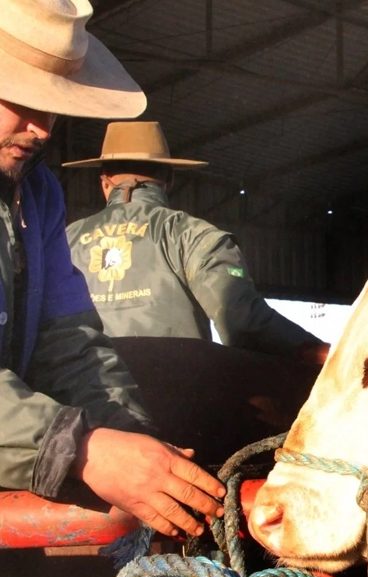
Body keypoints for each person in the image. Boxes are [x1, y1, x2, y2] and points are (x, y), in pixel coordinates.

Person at [0, 0, 226, 539]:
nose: (43, 128)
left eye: (51, 105)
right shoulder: (190, 233)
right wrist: (82, 449)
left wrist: (135, 439)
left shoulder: (37, 194)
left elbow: (68, 340)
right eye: (20, 100)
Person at [64, 120, 329, 363]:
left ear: (104, 183)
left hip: (83, 401)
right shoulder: (195, 236)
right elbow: (243, 322)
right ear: (169, 179)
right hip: (176, 397)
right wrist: (322, 353)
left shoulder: (65, 240)